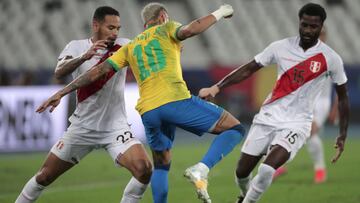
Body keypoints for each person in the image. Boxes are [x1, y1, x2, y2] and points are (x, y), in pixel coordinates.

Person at [34, 2, 246, 203]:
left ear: (145, 24)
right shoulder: (167, 28)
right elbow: (192, 29)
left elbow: (96, 72)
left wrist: (61, 92)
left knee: (162, 164)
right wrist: (220, 12)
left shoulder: (130, 46)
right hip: (175, 100)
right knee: (235, 129)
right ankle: (202, 168)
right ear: (163, 17)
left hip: (148, 112)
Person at [198, 3, 349, 203]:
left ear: (321, 26)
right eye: (304, 25)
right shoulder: (280, 47)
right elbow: (249, 68)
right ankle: (244, 196)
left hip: (297, 123)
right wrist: (217, 87)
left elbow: (343, 95)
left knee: (267, 168)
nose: (308, 30)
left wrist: (342, 134)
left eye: (313, 27)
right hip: (267, 117)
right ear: (299, 23)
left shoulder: (331, 58)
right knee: (241, 172)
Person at [15, 6, 152, 203]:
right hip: (82, 127)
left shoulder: (124, 46)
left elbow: (149, 53)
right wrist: (85, 57)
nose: (114, 33)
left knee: (144, 169)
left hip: (115, 127)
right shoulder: (76, 46)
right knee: (44, 176)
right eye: (110, 27)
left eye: (117, 29)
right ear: (96, 25)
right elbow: (59, 72)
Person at [273, 27, 339, 183]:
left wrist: (335, 109)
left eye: (321, 34)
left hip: (321, 103)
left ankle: (319, 169)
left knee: (310, 132)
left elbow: (341, 86)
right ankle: (280, 165)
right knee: (294, 132)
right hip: (304, 101)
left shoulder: (331, 57)